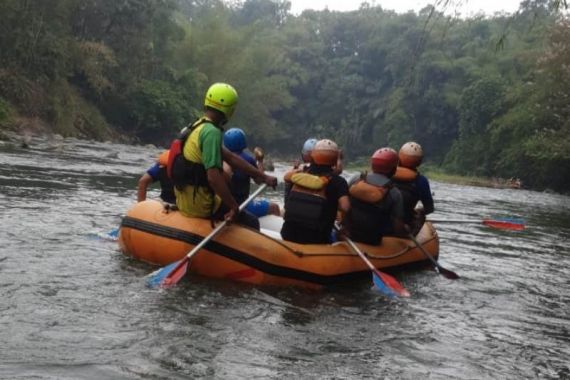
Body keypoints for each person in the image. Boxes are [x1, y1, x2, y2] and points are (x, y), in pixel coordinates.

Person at [168, 83, 277, 229]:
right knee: (252, 222)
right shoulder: (212, 132)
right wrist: (234, 207)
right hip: (201, 205)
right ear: (229, 109)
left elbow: (231, 157)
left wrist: (264, 177)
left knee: (227, 200)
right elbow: (213, 178)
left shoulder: (198, 125)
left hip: (184, 201)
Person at [281, 139, 350, 244]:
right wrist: (344, 225)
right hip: (317, 240)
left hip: (288, 234)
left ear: (313, 155)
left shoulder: (301, 173)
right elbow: (345, 207)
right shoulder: (338, 182)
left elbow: (286, 177)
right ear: (334, 160)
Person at [346, 148, 407, 245]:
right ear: (394, 169)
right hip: (372, 240)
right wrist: (405, 235)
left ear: (372, 164)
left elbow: (343, 203)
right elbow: (397, 226)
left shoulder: (356, 178)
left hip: (348, 233)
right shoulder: (394, 193)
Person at [222, 127, 280, 217]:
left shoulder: (220, 158)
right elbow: (259, 180)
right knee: (274, 207)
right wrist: (260, 161)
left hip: (223, 205)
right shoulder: (247, 159)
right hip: (243, 204)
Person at [391, 141, 434, 234]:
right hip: (403, 225)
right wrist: (419, 211)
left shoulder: (387, 172)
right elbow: (429, 208)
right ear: (419, 162)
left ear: (399, 157)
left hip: (381, 220)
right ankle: (411, 236)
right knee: (421, 214)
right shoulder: (421, 181)